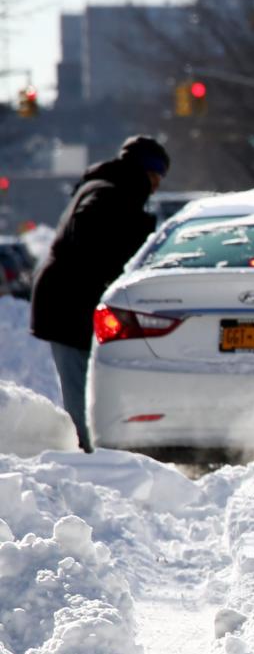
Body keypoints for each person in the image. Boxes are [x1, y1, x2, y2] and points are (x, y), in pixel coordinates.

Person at [29, 135, 168, 451]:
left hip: (72, 301)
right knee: (81, 382)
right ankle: (89, 453)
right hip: (68, 304)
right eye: (158, 175)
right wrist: (115, 267)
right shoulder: (109, 192)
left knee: (92, 379)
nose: (158, 185)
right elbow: (88, 233)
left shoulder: (109, 188)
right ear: (146, 171)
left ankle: (95, 448)